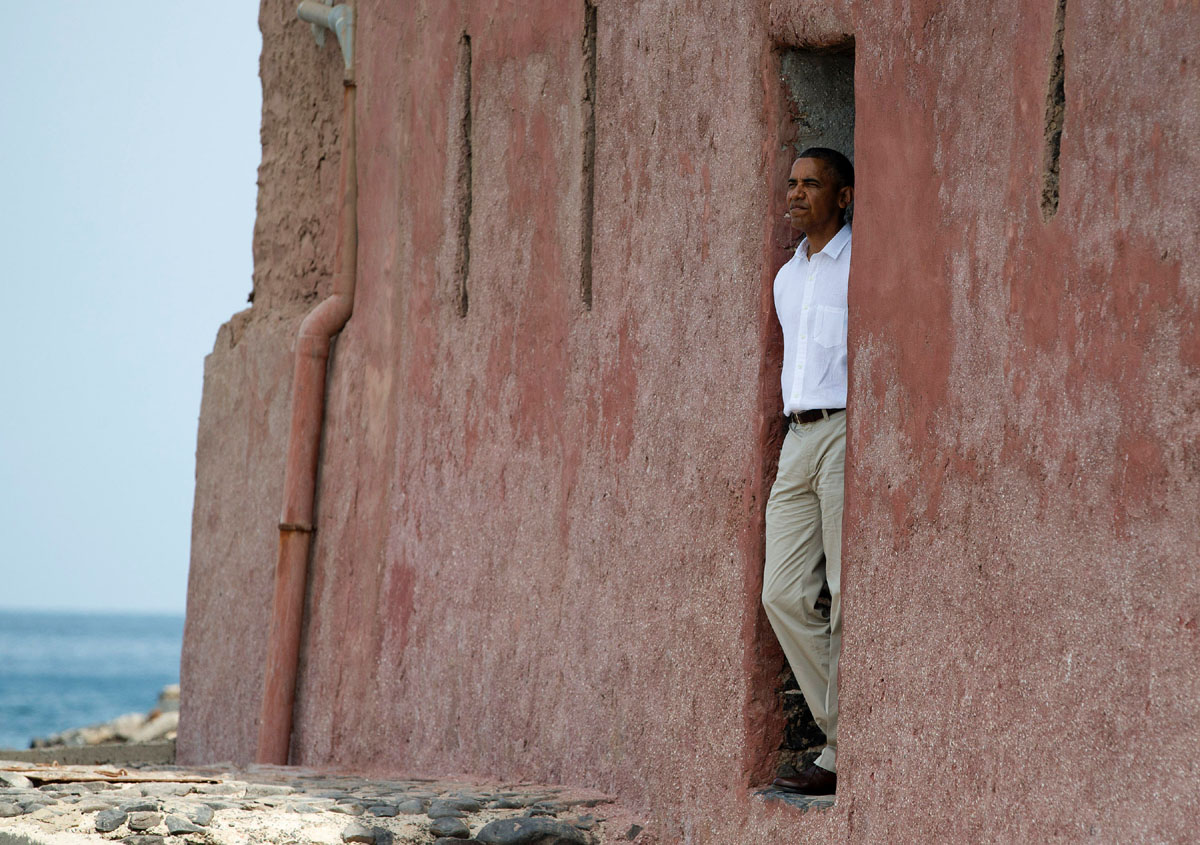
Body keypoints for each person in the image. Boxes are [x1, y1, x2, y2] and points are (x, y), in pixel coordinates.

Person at [762, 148, 854, 796]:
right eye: (792, 184)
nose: (796, 194)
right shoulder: (786, 277)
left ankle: (840, 750)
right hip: (797, 437)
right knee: (783, 592)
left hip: (845, 429)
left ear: (842, 197)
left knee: (845, 591)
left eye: (811, 184)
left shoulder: (862, 265)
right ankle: (846, 729)